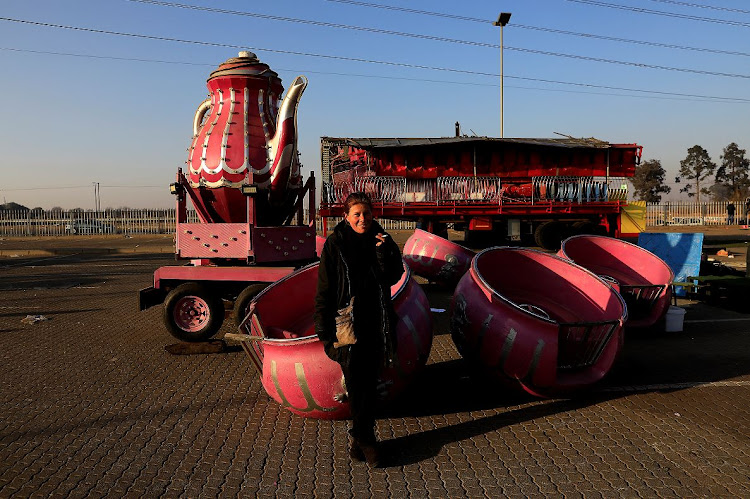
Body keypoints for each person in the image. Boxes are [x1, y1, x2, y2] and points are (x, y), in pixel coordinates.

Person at [314, 192, 404, 467]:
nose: (362, 219)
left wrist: (382, 252)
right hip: (347, 325)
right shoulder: (336, 244)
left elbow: (394, 275)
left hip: (377, 320)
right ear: (346, 217)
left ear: (372, 214)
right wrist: (324, 332)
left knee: (369, 383)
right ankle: (367, 441)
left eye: (366, 213)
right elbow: (325, 289)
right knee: (356, 382)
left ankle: (358, 442)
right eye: (357, 214)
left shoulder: (383, 240)